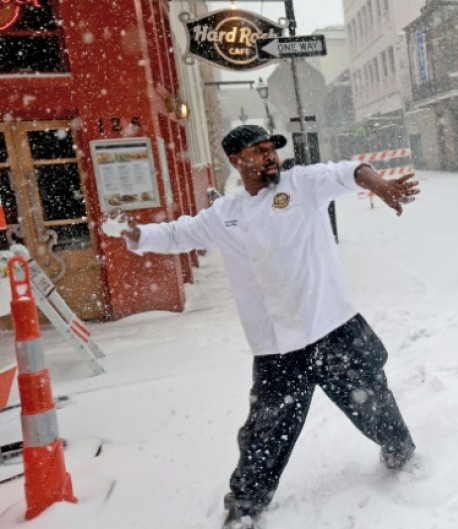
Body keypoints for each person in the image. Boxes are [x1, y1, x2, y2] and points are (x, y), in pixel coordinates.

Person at [110, 124, 420, 529]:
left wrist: (378, 184)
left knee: (373, 403)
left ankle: (401, 454)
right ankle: (245, 507)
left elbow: (350, 172)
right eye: (258, 151)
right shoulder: (226, 215)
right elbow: (176, 234)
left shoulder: (302, 184)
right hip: (276, 347)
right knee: (265, 433)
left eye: (271, 148)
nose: (270, 155)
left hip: (332, 327)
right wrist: (133, 232)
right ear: (237, 161)